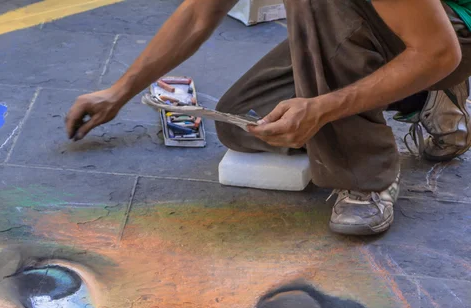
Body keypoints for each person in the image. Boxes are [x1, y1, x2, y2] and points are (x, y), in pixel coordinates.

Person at [65, 0, 471, 236]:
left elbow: (440, 52)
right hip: (407, 33)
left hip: (450, 39)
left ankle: (365, 177)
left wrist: (322, 108)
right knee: (244, 121)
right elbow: (197, 15)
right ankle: (420, 92)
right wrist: (119, 90)